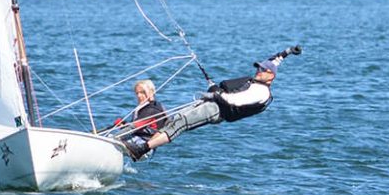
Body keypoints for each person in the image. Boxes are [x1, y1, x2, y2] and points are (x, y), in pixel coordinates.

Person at [121, 45, 302, 162]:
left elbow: (234, 100)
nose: (259, 70)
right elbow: (274, 60)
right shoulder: (262, 77)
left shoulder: (261, 91)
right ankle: (141, 141)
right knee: (177, 118)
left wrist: (217, 94)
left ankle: (141, 149)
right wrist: (287, 52)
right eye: (259, 67)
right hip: (214, 102)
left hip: (218, 110)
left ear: (271, 76)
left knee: (182, 122)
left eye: (263, 70)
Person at [113, 80, 167, 152]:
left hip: (142, 146)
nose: (139, 96)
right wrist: (123, 125)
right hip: (137, 139)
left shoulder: (152, 110)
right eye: (137, 93)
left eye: (142, 92)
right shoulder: (147, 107)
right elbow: (137, 127)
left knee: (111, 139)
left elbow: (133, 128)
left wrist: (114, 138)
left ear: (151, 92)